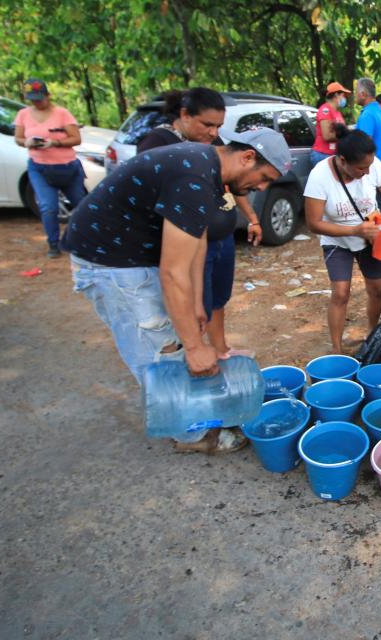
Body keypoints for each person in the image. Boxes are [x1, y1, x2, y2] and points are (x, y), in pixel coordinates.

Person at [62, 128, 290, 453]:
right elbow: (172, 272)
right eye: (264, 177)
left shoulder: (208, 172)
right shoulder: (194, 179)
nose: (262, 187)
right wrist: (196, 347)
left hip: (132, 255)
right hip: (109, 263)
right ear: (248, 157)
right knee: (159, 347)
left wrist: (196, 301)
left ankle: (195, 413)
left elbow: (196, 241)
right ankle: (191, 434)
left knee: (175, 333)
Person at [136, 87, 264, 359]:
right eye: (208, 124)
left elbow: (235, 183)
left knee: (217, 298)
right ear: (184, 115)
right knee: (193, 301)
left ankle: (220, 349)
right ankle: (195, 352)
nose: (213, 132)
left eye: (218, 125)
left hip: (220, 237)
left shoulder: (211, 145)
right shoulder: (158, 143)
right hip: (188, 240)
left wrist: (251, 217)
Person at [303, 126, 381, 354]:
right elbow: (313, 223)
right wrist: (353, 231)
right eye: (361, 168)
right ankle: (337, 349)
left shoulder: (372, 166)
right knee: (341, 293)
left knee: (377, 288)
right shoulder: (319, 176)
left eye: (369, 166)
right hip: (337, 238)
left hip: (371, 235)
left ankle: (372, 335)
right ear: (342, 160)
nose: (366, 172)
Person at [13, 79, 88, 258]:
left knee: (82, 204)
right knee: (48, 207)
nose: (37, 102)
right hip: (39, 168)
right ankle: (53, 244)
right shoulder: (23, 114)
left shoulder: (62, 113)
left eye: (40, 98)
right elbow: (18, 138)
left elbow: (76, 139)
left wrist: (54, 143)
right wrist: (27, 142)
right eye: (33, 99)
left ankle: (84, 238)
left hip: (67, 168)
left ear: (48, 96)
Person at [311, 81, 352, 166]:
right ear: (336, 95)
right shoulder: (325, 110)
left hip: (333, 154)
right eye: (343, 95)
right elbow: (327, 136)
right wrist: (347, 133)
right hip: (323, 155)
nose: (345, 99)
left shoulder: (338, 113)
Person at [353, 77, 381, 168]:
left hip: (371, 166)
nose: (355, 95)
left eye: (356, 92)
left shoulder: (367, 114)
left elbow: (364, 144)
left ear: (364, 94)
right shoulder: (379, 111)